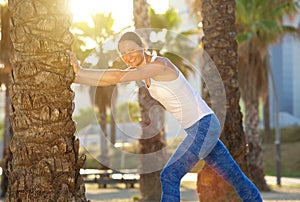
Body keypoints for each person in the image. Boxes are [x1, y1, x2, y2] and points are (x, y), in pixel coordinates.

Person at [68, 31, 262, 202]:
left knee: (170, 175)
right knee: (234, 175)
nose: (128, 56)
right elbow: (107, 80)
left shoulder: (159, 65)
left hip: (204, 125)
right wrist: (75, 75)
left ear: (143, 47)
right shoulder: (143, 72)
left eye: (131, 50)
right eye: (123, 54)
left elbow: (115, 77)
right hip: (199, 128)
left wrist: (81, 71)